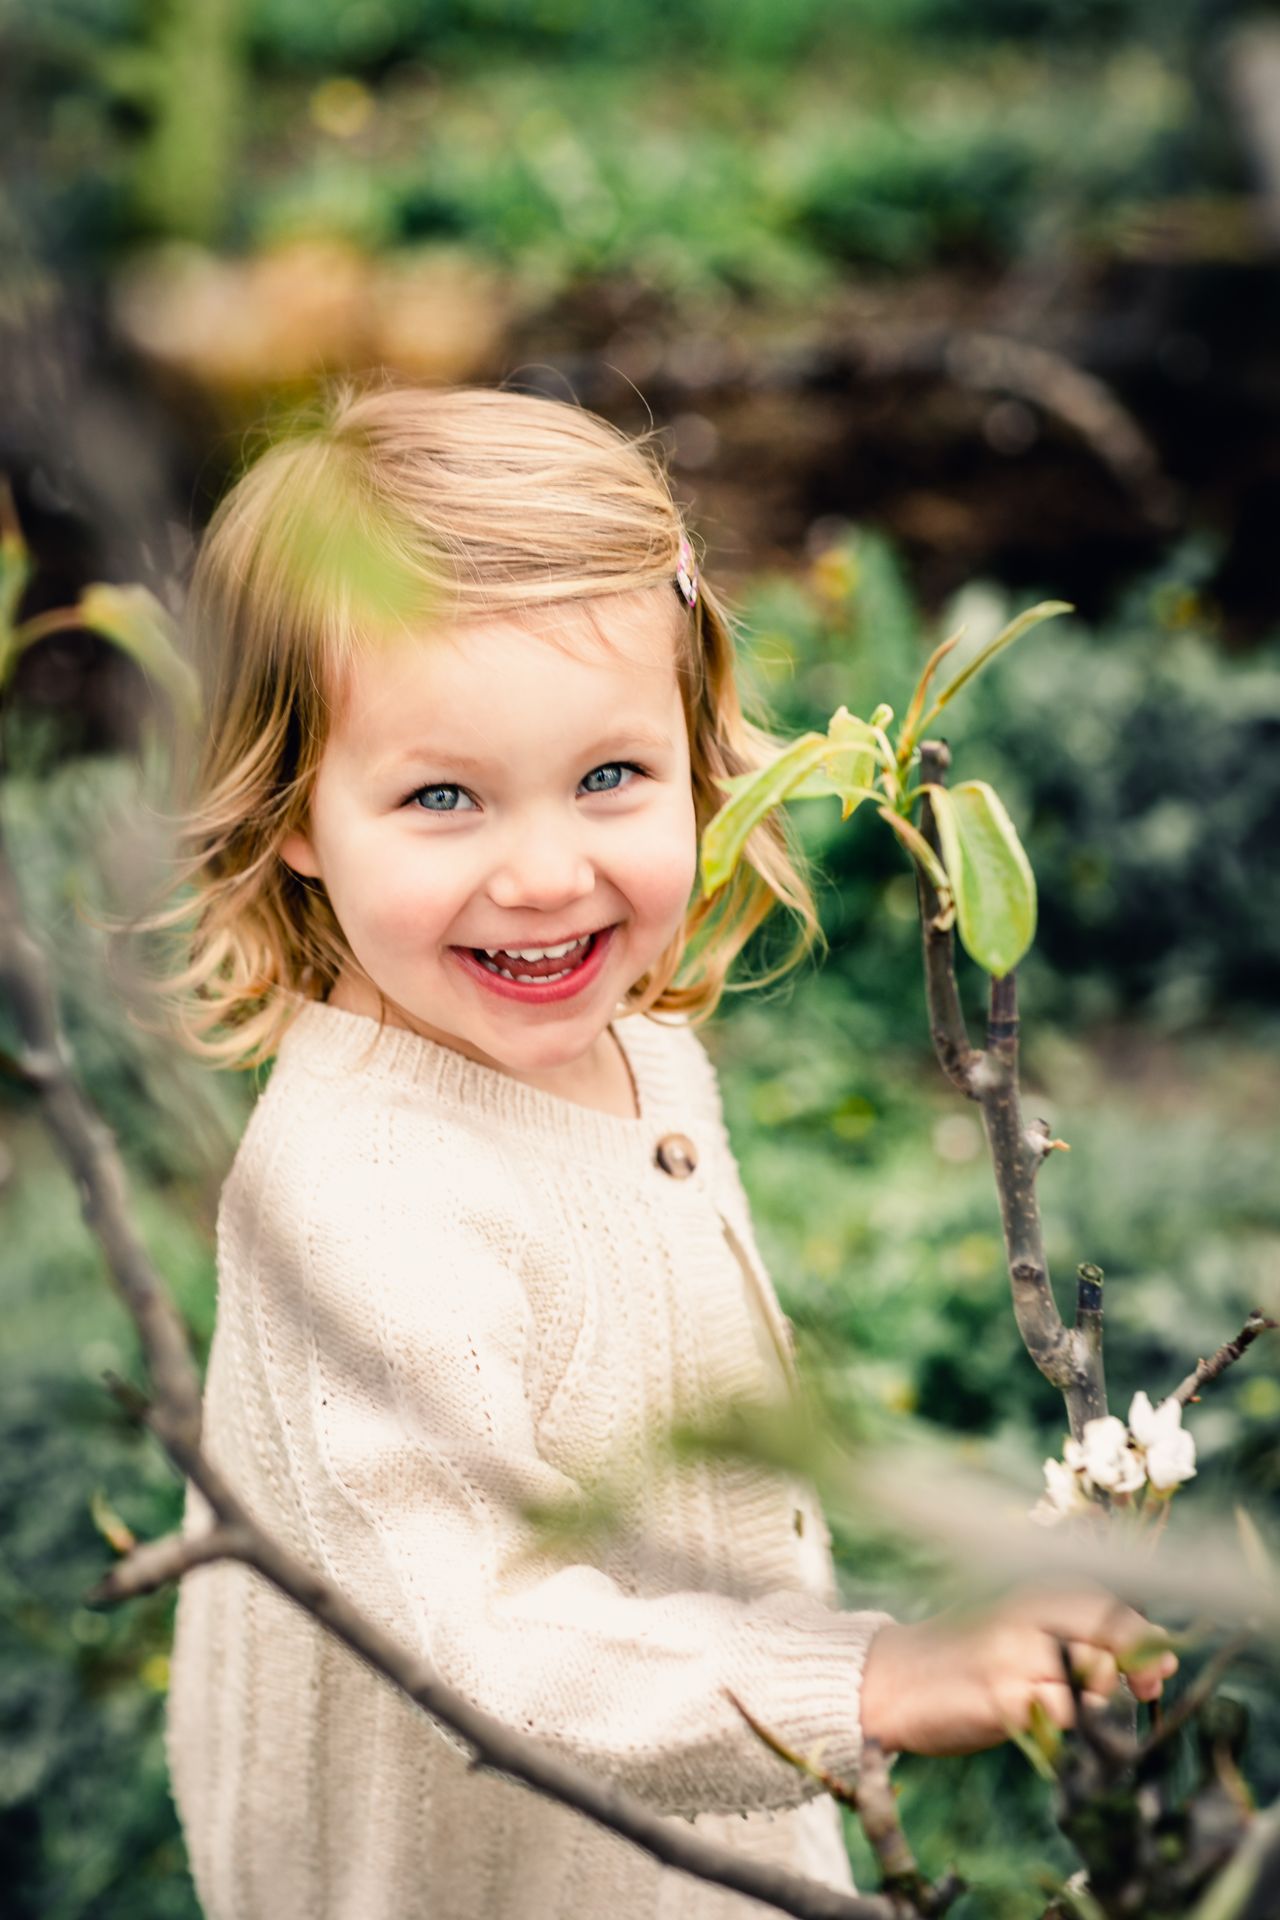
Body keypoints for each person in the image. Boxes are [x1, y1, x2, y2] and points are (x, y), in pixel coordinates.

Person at [160, 381, 1175, 1920]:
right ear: (291, 810)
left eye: (611, 776)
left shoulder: (637, 1051)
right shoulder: (361, 1200)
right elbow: (495, 1645)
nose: (548, 872)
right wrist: (876, 1678)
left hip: (691, 1830)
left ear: (701, 753)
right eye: (442, 796)